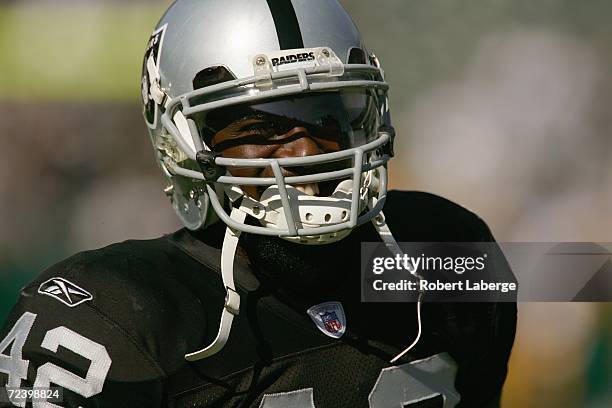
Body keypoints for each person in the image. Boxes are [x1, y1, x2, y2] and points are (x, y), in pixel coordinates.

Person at [0, 0, 516, 406]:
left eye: (325, 117)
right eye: (260, 127)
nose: (304, 150)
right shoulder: (116, 317)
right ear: (183, 143)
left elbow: (589, 279)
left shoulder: (443, 251)